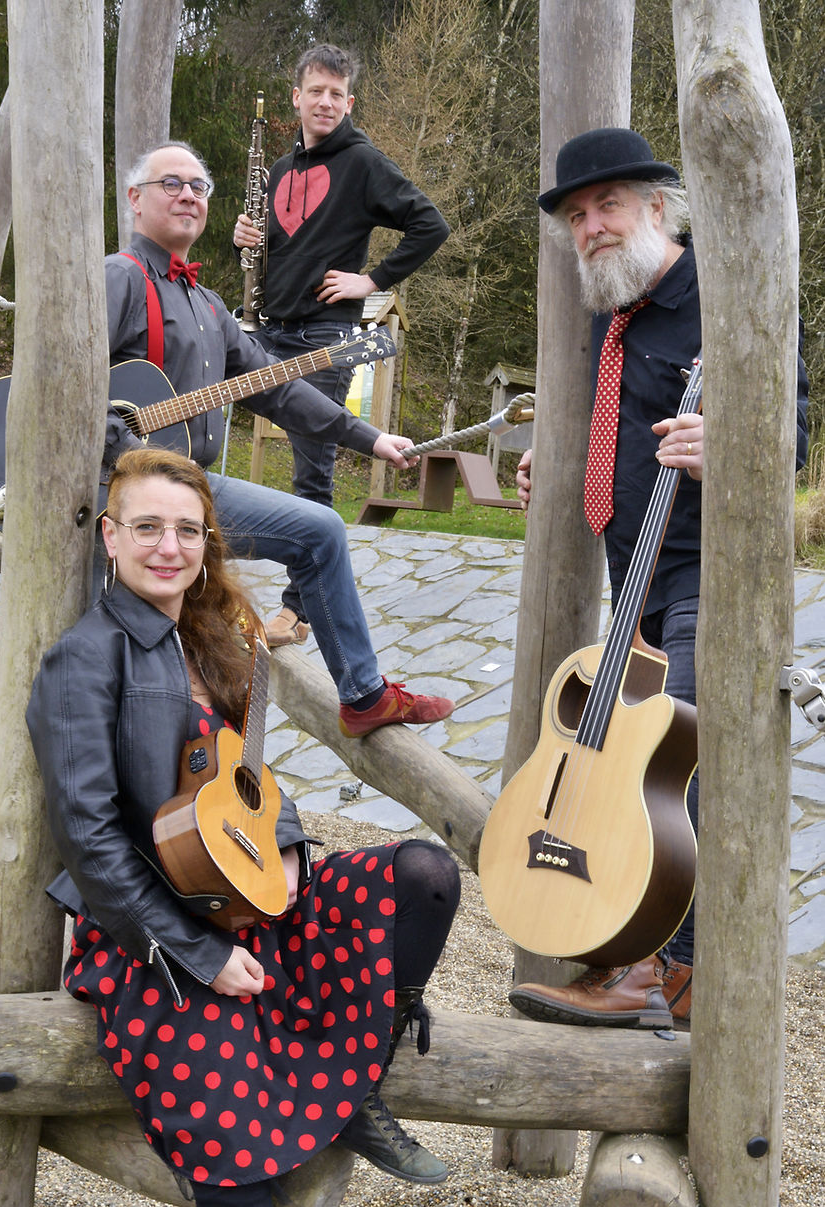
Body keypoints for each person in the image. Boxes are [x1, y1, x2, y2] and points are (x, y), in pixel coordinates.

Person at [26, 448, 462, 1206]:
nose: (170, 547)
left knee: (425, 876)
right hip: (152, 934)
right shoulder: (83, 660)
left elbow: (249, 777)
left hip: (250, 890)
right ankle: (318, 1093)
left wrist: (288, 851)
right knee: (240, 1159)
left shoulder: (214, 638)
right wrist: (199, 953)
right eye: (149, 527)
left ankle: (354, 1087)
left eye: (188, 531)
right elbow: (90, 840)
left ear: (207, 543)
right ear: (110, 534)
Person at [508, 128, 809, 1031]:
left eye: (606, 205)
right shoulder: (611, 308)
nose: (591, 225)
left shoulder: (726, 294)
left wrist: (731, 445)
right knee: (627, 771)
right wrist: (553, 467)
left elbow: (787, 434)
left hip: (711, 576)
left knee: (676, 775)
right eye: (576, 215)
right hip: (629, 580)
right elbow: (619, 434)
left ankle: (663, 972)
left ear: (655, 207)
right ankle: (642, 957)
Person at [105, 139, 453, 740]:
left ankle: (363, 696)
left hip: (194, 490)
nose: (188, 194)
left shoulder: (208, 306)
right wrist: (119, 448)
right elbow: (58, 381)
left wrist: (369, 439)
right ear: (135, 200)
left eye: (199, 186)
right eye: (172, 183)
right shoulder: (117, 278)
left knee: (321, 530)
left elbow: (282, 391)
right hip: (114, 499)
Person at [233, 44, 449, 647]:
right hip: (268, 330)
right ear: (296, 98)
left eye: (337, 93)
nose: (325, 102)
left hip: (326, 337)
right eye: (316, 91)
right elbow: (272, 252)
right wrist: (242, 239)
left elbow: (430, 224)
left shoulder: (363, 163)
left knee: (311, 472)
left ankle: (298, 610)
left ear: (348, 102)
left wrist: (372, 280)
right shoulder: (276, 170)